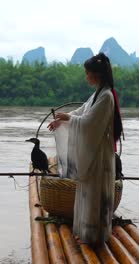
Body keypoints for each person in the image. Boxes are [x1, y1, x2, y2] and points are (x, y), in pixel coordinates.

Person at [47, 52, 123, 246]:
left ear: (96, 74)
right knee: (87, 193)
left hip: (99, 155)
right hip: (93, 153)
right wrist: (61, 120)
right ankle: (86, 232)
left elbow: (88, 124)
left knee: (95, 195)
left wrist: (66, 118)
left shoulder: (106, 96)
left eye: (87, 73)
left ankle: (95, 236)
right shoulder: (98, 93)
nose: (86, 76)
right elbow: (82, 112)